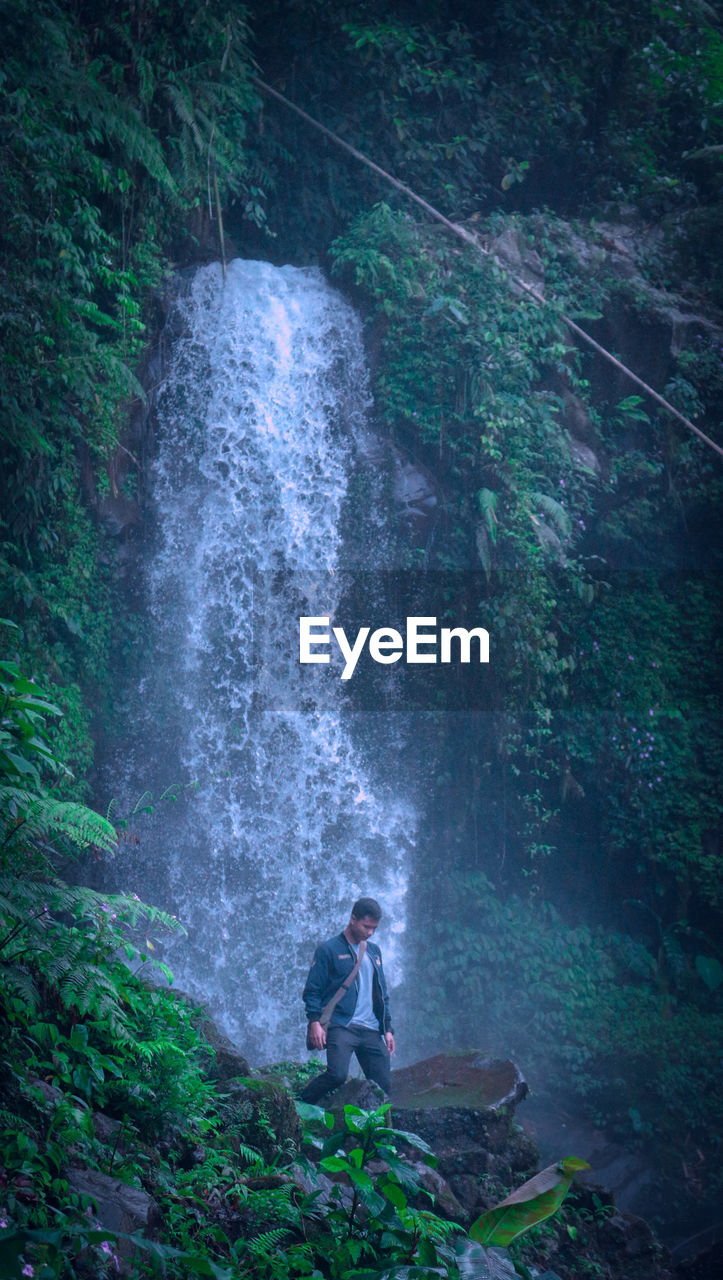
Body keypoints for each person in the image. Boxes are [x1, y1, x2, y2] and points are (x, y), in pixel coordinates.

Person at [300, 896, 395, 1103]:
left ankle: (377, 1131)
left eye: (374, 929)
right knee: (337, 1075)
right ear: (353, 919)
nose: (369, 933)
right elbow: (313, 990)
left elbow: (382, 992)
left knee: (384, 1086)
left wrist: (387, 1028)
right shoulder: (328, 950)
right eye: (366, 926)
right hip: (342, 1026)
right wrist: (314, 1021)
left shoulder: (374, 951)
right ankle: (300, 1104)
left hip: (371, 1028)